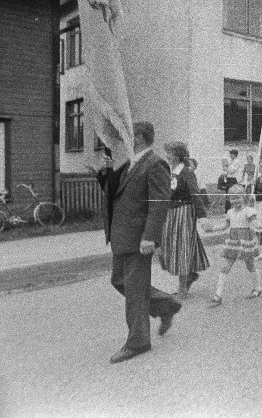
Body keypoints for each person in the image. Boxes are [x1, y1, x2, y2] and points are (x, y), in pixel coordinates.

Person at [97, 121, 182, 364]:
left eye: (128, 134)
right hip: (122, 236)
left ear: (140, 137)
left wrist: (150, 237)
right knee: (119, 281)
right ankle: (166, 305)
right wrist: (106, 172)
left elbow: (159, 202)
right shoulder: (131, 162)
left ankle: (138, 341)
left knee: (134, 291)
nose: (125, 139)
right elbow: (115, 192)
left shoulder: (155, 164)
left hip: (137, 238)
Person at [160, 141, 210, 299]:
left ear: (177, 156)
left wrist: (202, 217)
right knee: (170, 248)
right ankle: (189, 276)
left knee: (181, 248)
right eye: (167, 152)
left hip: (184, 211)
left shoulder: (187, 172)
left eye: (170, 153)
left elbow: (195, 194)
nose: (167, 155)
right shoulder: (170, 172)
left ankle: (182, 288)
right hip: (171, 213)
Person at [203, 185, 262, 306]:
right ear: (229, 200)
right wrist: (212, 229)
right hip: (233, 241)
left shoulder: (249, 211)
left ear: (244, 197)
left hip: (246, 241)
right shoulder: (230, 212)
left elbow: (255, 224)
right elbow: (225, 226)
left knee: (250, 265)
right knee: (226, 266)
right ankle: (218, 295)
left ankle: (257, 288)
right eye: (232, 198)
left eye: (238, 197)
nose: (235, 201)